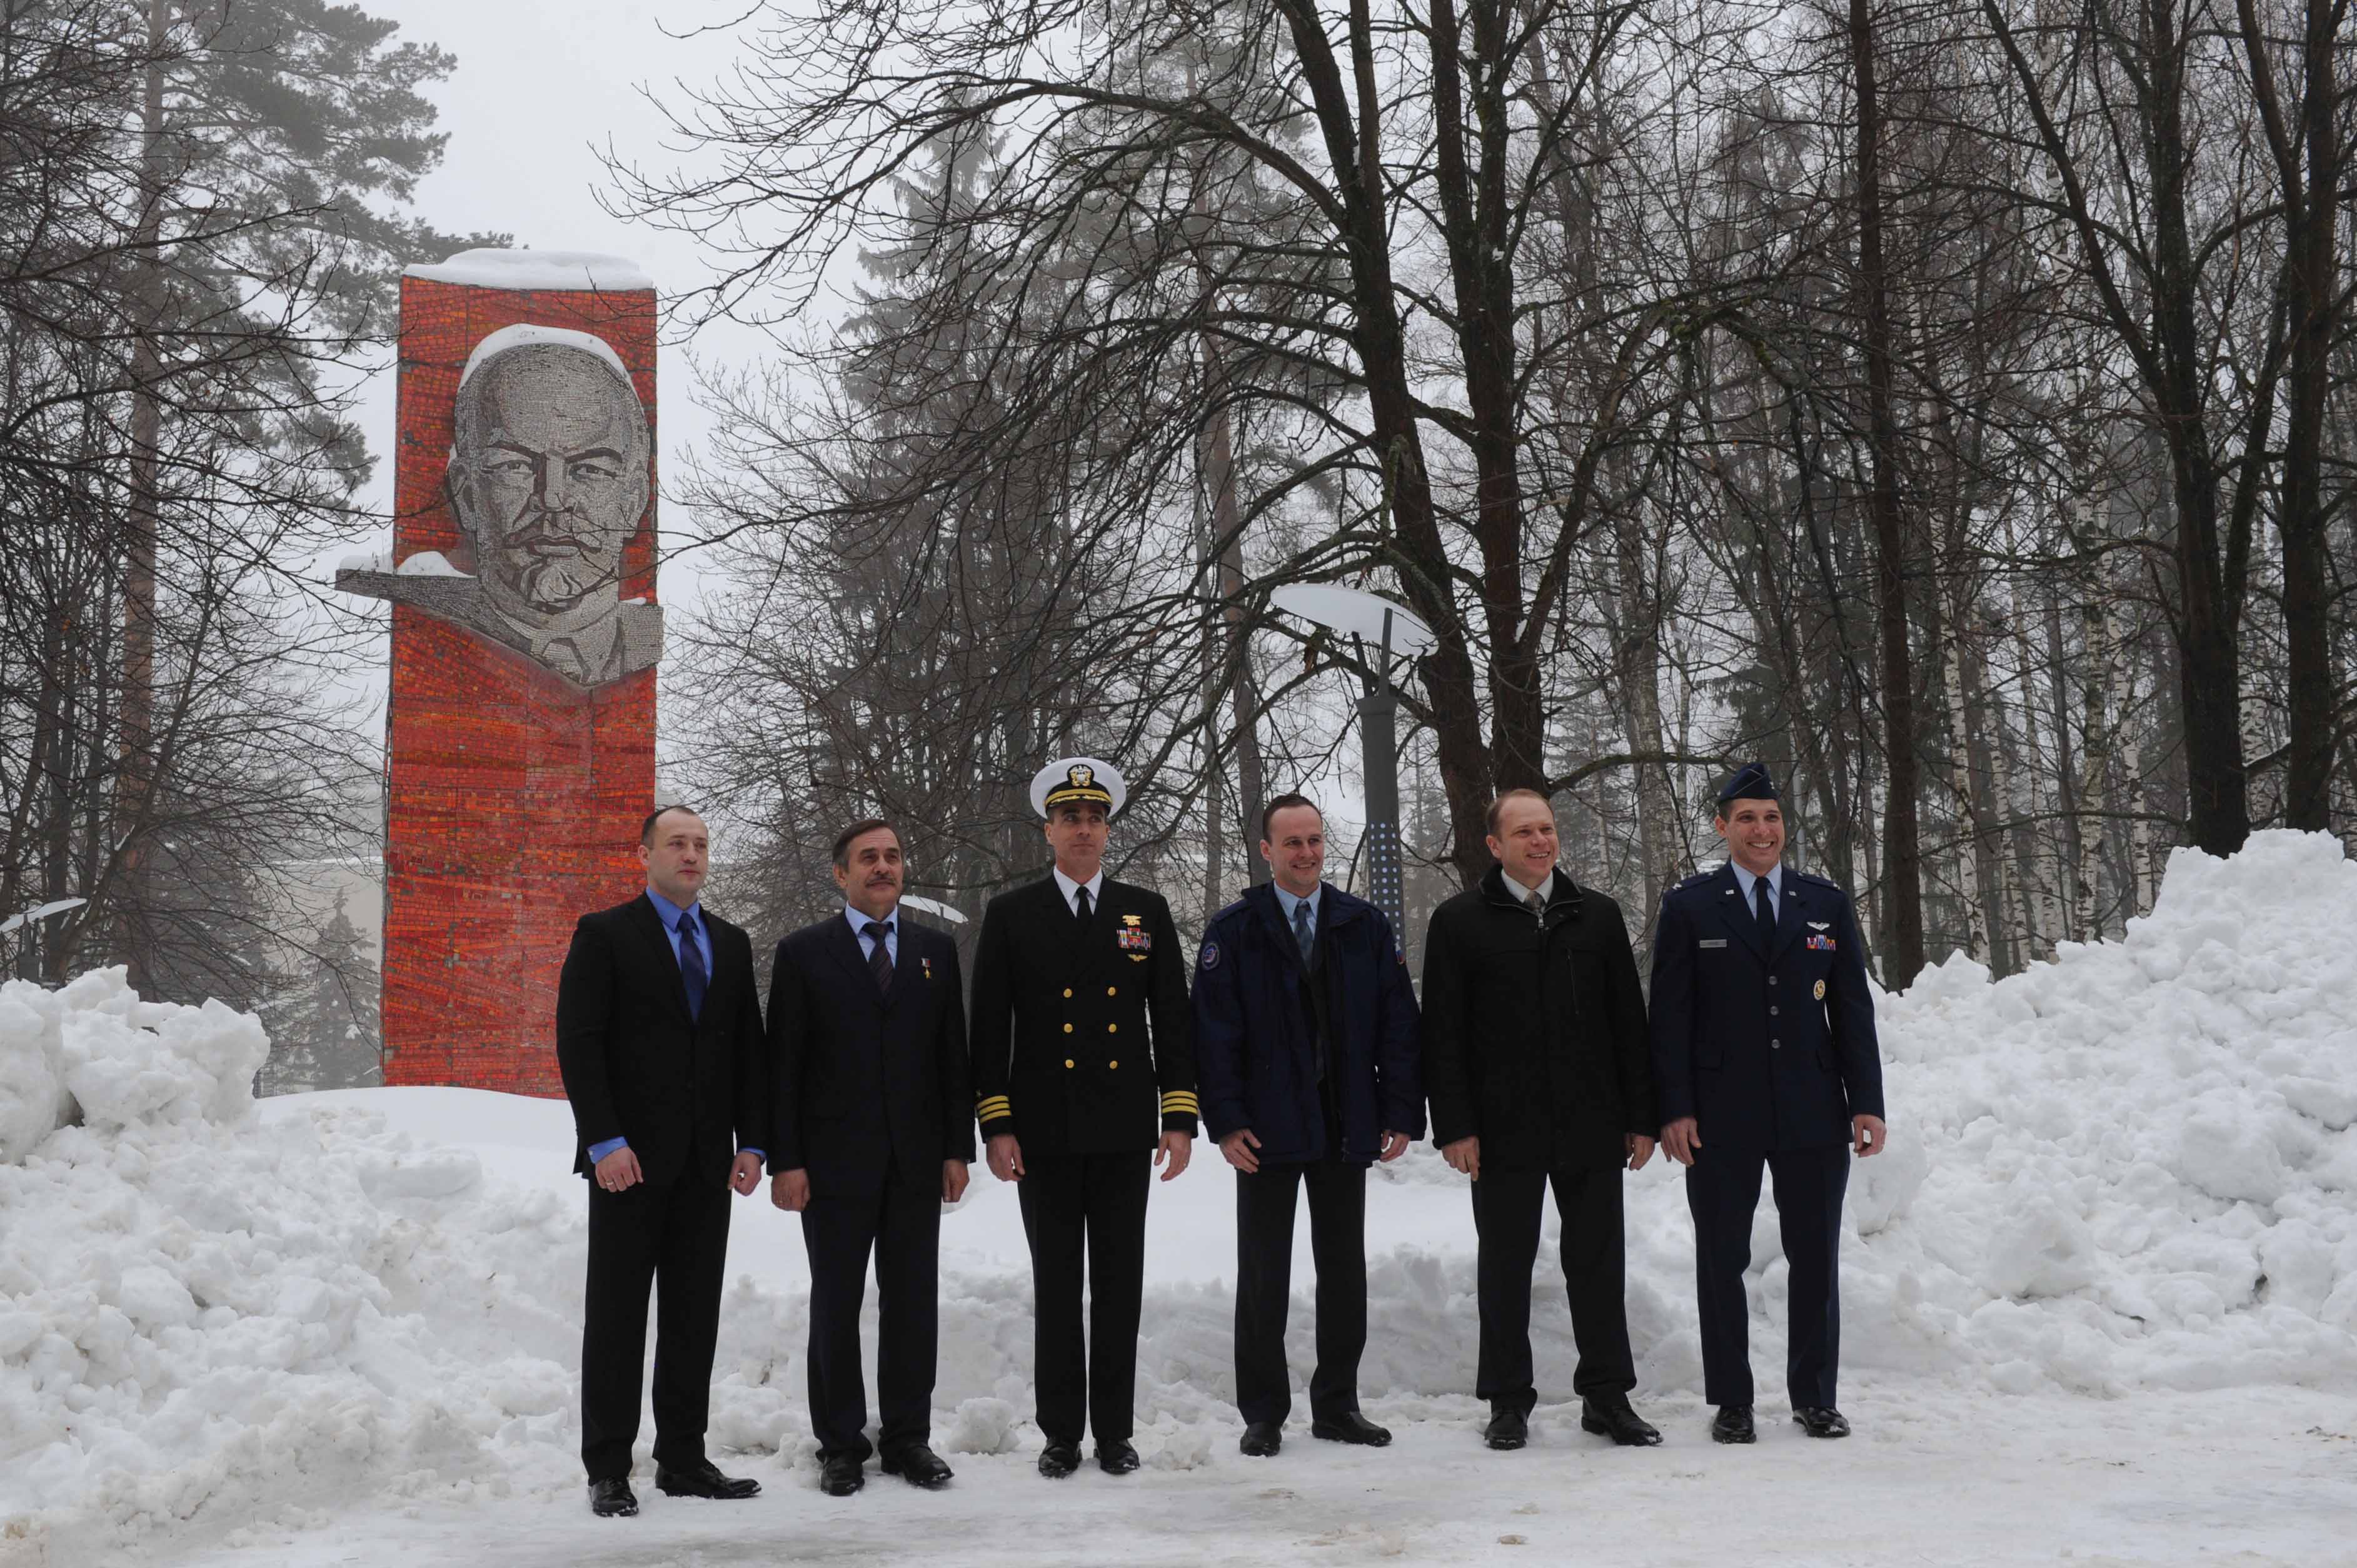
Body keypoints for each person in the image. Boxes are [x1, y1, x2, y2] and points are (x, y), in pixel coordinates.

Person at [969, 758, 1198, 1478]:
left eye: (1095, 818)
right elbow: (988, 1029)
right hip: (1042, 1131)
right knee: (1058, 1284)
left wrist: (1179, 1115)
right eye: (1070, 818)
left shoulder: (1143, 911)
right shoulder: (1011, 914)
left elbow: (1172, 1018)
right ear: (1049, 831)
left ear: (1108, 831)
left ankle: (1116, 1432)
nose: (1084, 829)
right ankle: (1061, 1434)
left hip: (1124, 1128)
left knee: (1120, 1282)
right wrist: (996, 1124)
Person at [1649, 763, 1888, 1444]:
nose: (1761, 830)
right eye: (1746, 818)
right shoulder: (1691, 907)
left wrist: (1864, 1102)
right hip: (1720, 1114)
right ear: (1722, 827)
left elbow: (1851, 1011)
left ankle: (1814, 1395)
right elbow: (1667, 1018)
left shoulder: (1823, 903)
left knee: (1813, 1254)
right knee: (1719, 1258)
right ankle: (1732, 1400)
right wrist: (1674, 1107)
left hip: (1812, 1108)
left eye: (1771, 817)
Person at [1420, 788, 1664, 1452]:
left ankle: (1606, 1397)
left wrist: (1640, 1118)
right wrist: (1454, 1127)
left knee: (1596, 1263)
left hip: (1591, 1120)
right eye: (1524, 832)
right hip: (1501, 1129)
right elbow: (1441, 1036)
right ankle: (1505, 1400)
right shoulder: (1459, 922)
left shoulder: (1598, 917)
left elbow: (1627, 1026)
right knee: (1504, 1264)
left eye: (1547, 830)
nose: (1540, 841)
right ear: (1494, 846)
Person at [1192, 793, 1422, 1458]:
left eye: (1315, 840)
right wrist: (1227, 1122)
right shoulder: (1234, 931)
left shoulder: (1363, 925)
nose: (1306, 854)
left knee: (1343, 1272)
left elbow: (1397, 1026)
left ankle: (1337, 1406)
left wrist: (1400, 1110)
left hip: (1345, 1121)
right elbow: (1212, 1036)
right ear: (1265, 851)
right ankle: (1262, 1413)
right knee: (1263, 1274)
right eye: (1291, 843)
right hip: (1264, 1131)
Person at [554, 805, 768, 1517]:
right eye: (676, 843)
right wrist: (604, 1142)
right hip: (629, 1164)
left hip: (707, 1163)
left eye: (701, 844)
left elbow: (747, 1053)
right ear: (642, 854)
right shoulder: (606, 935)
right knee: (617, 1316)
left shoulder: (730, 944)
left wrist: (754, 1141)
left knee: (691, 1315)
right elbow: (579, 1043)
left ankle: (682, 1458)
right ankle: (609, 1466)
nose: (691, 854)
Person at [766, 819, 972, 1497]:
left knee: (912, 1303)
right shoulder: (802, 954)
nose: (882, 868)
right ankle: (841, 1445)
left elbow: (951, 1060)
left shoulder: (933, 952)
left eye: (890, 857)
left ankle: (908, 1439)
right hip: (831, 1166)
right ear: (840, 874)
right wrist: (787, 1160)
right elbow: (784, 1067)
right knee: (836, 1304)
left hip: (915, 1162)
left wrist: (954, 1149)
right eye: (867, 859)